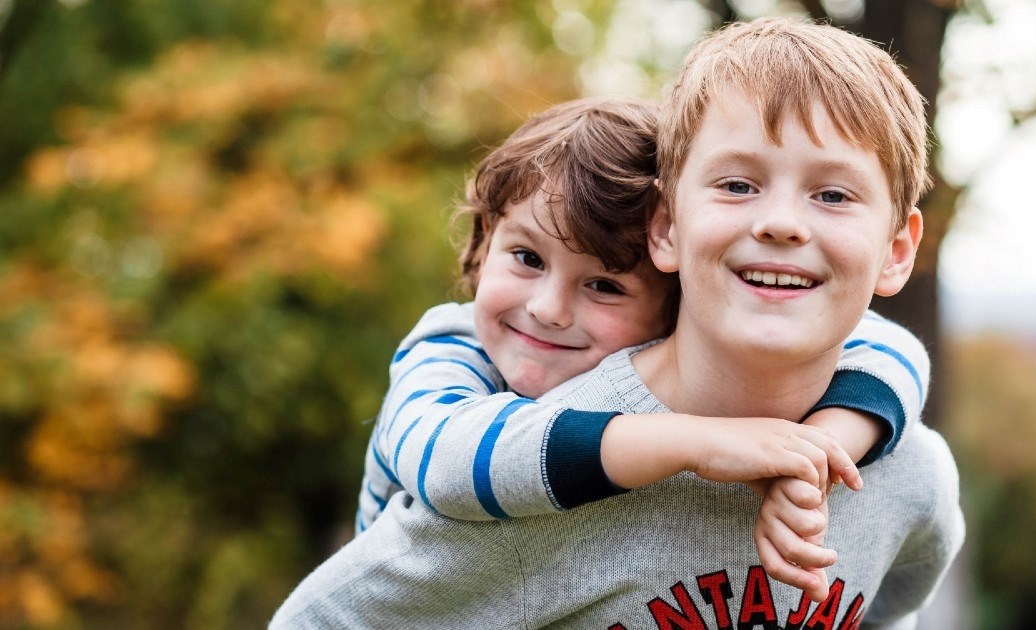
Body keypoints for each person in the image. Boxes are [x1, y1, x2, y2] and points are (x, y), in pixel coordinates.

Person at [271, 17, 962, 628]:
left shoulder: (910, 474)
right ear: (666, 226)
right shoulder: (538, 485)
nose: (780, 222)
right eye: (737, 184)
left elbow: (889, 595)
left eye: (833, 194)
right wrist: (693, 445)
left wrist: (821, 450)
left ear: (897, 252)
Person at [356, 97, 929, 595]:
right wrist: (694, 441)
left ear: (675, 305)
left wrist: (815, 456)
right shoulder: (449, 347)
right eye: (527, 258)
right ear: (483, 246)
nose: (546, 309)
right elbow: (444, 465)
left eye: (604, 286)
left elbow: (892, 350)